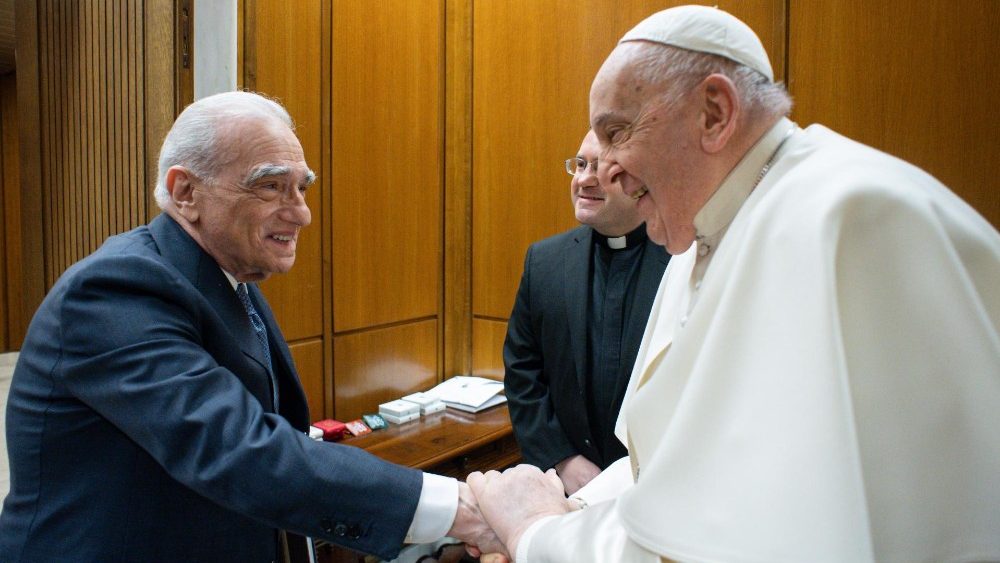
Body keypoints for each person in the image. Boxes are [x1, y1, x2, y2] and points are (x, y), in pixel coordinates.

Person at [467, 5, 1000, 562]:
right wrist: (566, 514)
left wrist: (536, 533)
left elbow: (755, 535)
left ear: (714, 113)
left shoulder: (850, 219)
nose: (607, 169)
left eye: (617, 133)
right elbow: (670, 478)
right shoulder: (700, 236)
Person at [0, 91, 497, 562]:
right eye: (270, 185)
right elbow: (239, 450)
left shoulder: (229, 276)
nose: (301, 212)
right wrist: (460, 508)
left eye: (302, 187)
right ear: (186, 192)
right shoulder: (116, 289)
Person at [505, 130, 668, 495]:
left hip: (657, 487)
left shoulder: (683, 262)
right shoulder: (544, 261)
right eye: (580, 165)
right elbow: (522, 371)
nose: (583, 179)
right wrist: (561, 458)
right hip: (568, 487)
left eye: (601, 167)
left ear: (640, 179)